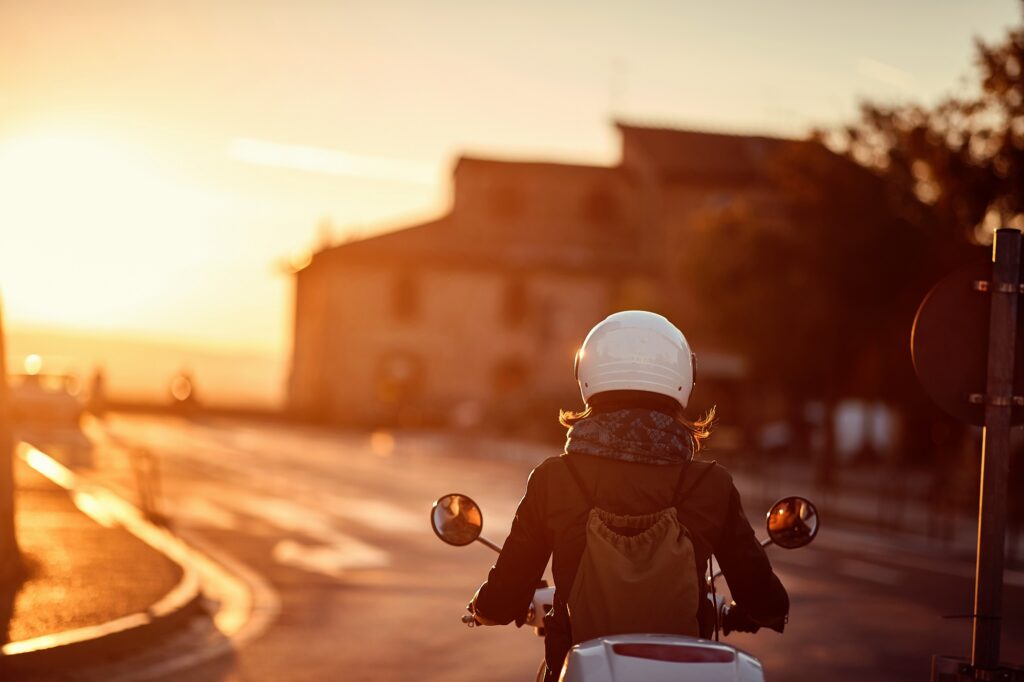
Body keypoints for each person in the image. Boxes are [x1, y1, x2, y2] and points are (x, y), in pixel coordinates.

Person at [469, 311, 790, 680]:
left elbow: (505, 598)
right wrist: (755, 611)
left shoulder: (554, 479)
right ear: (684, 378)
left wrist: (481, 608)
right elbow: (766, 603)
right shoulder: (710, 484)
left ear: (586, 376)